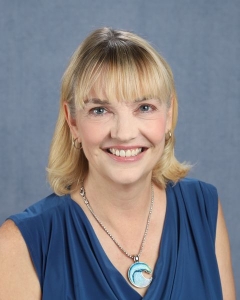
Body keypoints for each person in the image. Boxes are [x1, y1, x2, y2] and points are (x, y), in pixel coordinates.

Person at [0, 27, 236, 300]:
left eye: (144, 107)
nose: (124, 133)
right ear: (73, 121)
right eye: (100, 110)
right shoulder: (20, 243)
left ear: (169, 115)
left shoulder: (203, 208)